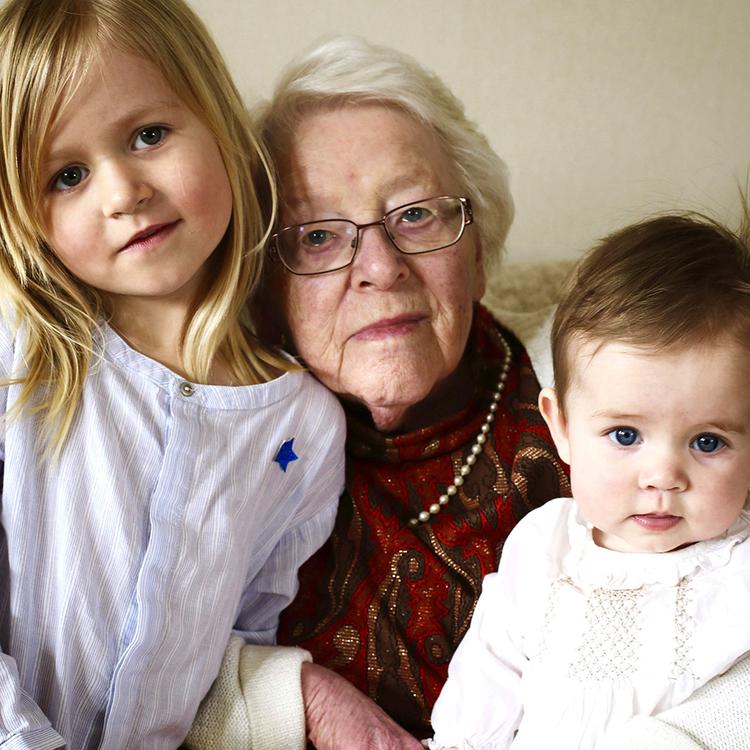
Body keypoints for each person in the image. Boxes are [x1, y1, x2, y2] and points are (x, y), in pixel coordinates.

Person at [187, 35, 570, 750]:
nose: (380, 267)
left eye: (416, 214)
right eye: (318, 237)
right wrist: (293, 694)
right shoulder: (218, 445)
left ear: (479, 246)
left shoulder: (609, 410)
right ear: (263, 291)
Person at [0, 1, 345, 748]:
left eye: (148, 135)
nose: (123, 192)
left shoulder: (303, 429)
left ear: (219, 123)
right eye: (68, 175)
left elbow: (239, 655)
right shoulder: (21, 354)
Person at [428, 212, 750, 749]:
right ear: (563, 429)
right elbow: (485, 682)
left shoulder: (739, 573)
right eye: (625, 435)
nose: (663, 476)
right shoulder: (542, 548)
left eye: (707, 442)